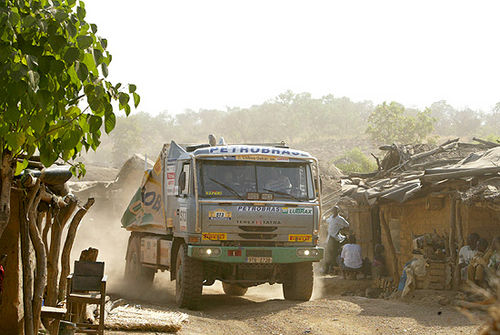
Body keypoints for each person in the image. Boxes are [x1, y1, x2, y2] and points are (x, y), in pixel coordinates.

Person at [322, 205, 349, 274]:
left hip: (334, 239)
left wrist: (340, 228)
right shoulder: (331, 217)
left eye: (335, 211)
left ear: (337, 211)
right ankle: (329, 269)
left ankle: (331, 269)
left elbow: (347, 225)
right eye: (333, 210)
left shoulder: (340, 219)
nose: (333, 212)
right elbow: (327, 221)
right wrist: (324, 220)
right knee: (328, 254)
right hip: (329, 238)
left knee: (332, 254)